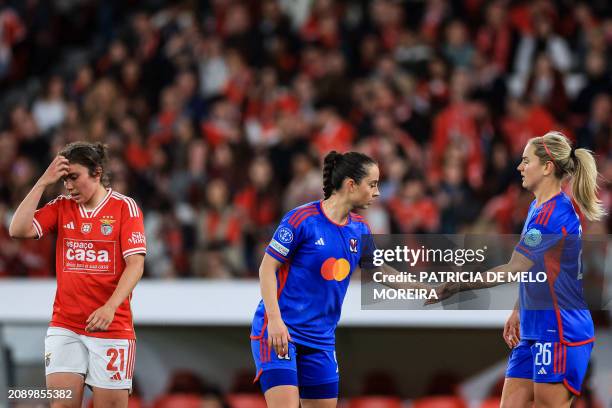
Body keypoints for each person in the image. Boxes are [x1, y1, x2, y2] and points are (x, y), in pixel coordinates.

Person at [432, 131, 606, 407]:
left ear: (547, 167)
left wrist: (456, 285)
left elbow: (512, 269)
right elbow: (539, 270)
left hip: (559, 331)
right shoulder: (537, 207)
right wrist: (518, 308)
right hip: (534, 329)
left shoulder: (552, 215)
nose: (519, 167)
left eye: (525, 161)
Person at [9, 141, 146, 408]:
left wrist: (109, 307)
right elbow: (18, 229)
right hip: (66, 326)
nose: (68, 186)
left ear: (96, 172)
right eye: (63, 179)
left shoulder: (124, 208)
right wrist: (41, 183)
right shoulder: (61, 206)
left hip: (111, 328)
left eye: (74, 177)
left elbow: (136, 265)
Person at [250, 150, 379, 407]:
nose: (377, 192)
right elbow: (267, 269)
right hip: (281, 332)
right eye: (373, 184)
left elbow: (381, 273)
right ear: (351, 184)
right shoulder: (302, 220)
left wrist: (430, 290)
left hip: (321, 341)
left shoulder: (360, 229)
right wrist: (275, 321)